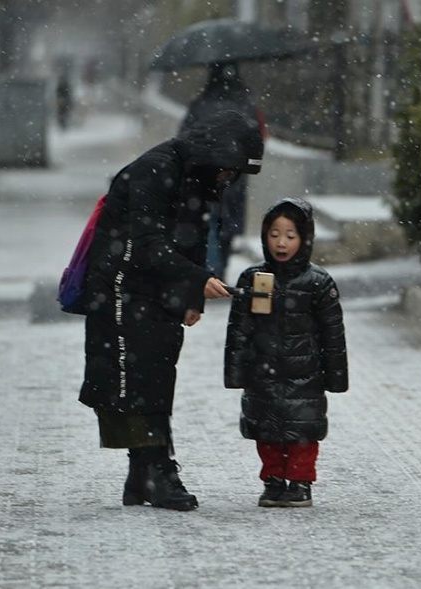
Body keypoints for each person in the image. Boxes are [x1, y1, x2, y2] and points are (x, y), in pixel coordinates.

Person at [78, 109, 264, 511]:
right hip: (122, 287)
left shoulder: (197, 174)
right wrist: (195, 279)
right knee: (139, 380)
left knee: (157, 375)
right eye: (229, 171)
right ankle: (156, 472)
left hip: (155, 290)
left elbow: (193, 235)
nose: (227, 180)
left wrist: (190, 297)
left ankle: (145, 475)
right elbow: (148, 242)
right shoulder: (156, 169)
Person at [224, 197, 349, 508]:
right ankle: (274, 479)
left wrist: (335, 375)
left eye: (290, 236)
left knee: (302, 433)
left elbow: (333, 334)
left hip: (305, 373)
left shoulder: (318, 283)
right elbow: (238, 331)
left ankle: (300, 481)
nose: (281, 243)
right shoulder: (253, 279)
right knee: (266, 431)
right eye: (274, 234)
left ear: (304, 239)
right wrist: (235, 371)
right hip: (262, 372)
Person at [180, 62, 267, 281]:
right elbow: (258, 138)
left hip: (205, 174)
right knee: (228, 224)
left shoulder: (200, 104)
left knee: (209, 221)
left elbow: (184, 137)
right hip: (235, 174)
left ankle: (212, 270)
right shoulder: (246, 104)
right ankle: (220, 268)